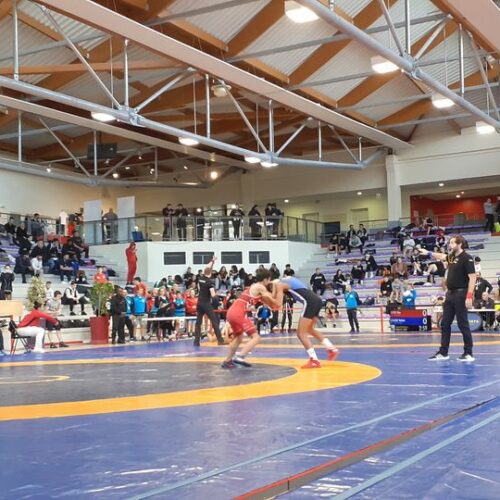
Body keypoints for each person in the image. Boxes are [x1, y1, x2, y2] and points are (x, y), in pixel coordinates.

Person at [420, 235, 477, 361]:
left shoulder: (467, 258)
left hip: (461, 294)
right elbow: (442, 256)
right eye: (450, 243)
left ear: (459, 244)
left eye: (452, 243)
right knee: (445, 324)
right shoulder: (452, 257)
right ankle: (443, 352)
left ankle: (468, 353)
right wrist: (428, 253)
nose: (450, 245)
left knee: (463, 324)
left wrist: (469, 296)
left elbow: (472, 278)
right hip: (450, 294)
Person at [221, 268, 282, 368]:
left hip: (232, 312)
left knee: (239, 337)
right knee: (256, 337)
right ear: (266, 279)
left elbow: (271, 303)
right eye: (269, 280)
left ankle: (227, 361)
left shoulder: (255, 288)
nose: (269, 283)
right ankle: (239, 356)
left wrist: (275, 291)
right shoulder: (260, 287)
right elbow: (273, 299)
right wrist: (276, 287)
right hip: (237, 313)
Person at [278, 276, 339, 368]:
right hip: (317, 300)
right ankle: (331, 348)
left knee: (300, 333)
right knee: (310, 329)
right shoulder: (289, 280)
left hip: (310, 302)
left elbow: (278, 304)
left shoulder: (279, 284)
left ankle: (314, 360)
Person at [194, 257, 224, 346]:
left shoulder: (200, 278)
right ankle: (220, 340)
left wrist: (212, 261)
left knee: (198, 322)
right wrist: (217, 296)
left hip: (199, 302)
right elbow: (213, 295)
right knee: (214, 321)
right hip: (206, 303)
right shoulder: (209, 282)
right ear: (210, 274)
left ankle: (196, 341)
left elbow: (207, 268)